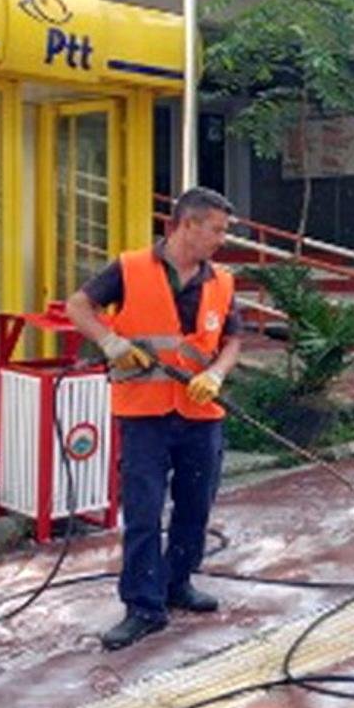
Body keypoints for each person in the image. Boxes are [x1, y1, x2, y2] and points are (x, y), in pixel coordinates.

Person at [65, 186, 242, 651]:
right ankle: (143, 607)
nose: (222, 239)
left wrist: (218, 375)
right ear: (188, 224)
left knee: (194, 505)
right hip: (145, 414)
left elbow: (232, 340)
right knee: (143, 512)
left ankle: (176, 583)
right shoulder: (129, 269)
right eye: (217, 230)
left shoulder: (221, 280)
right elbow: (78, 306)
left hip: (201, 411)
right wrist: (110, 343)